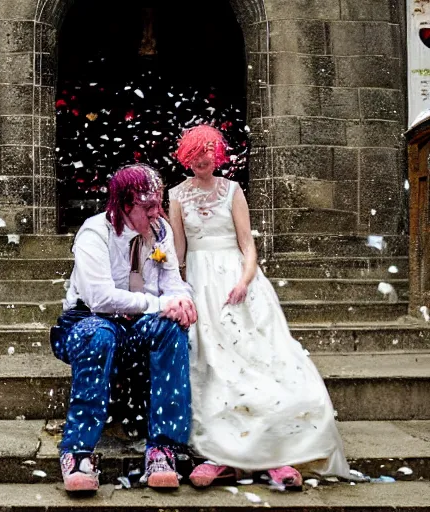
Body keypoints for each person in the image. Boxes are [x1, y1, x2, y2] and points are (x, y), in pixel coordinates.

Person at [168, 125, 351, 489]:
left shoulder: (232, 191)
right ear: (187, 157)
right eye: (195, 153)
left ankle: (275, 452)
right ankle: (225, 455)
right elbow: (178, 251)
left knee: (258, 360)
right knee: (212, 365)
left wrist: (244, 281)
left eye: (208, 152)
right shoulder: (176, 196)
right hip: (200, 283)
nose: (202, 159)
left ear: (216, 154)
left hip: (236, 281)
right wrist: (179, 289)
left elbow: (247, 245)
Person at [51, 164, 197, 492]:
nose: (158, 212)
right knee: (98, 335)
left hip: (136, 327)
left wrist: (183, 300)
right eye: (149, 206)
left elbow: (172, 282)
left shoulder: (160, 232)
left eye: (159, 203)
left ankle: (163, 449)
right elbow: (100, 298)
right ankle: (77, 453)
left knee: (171, 330)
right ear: (126, 204)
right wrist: (161, 304)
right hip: (87, 322)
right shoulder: (94, 232)